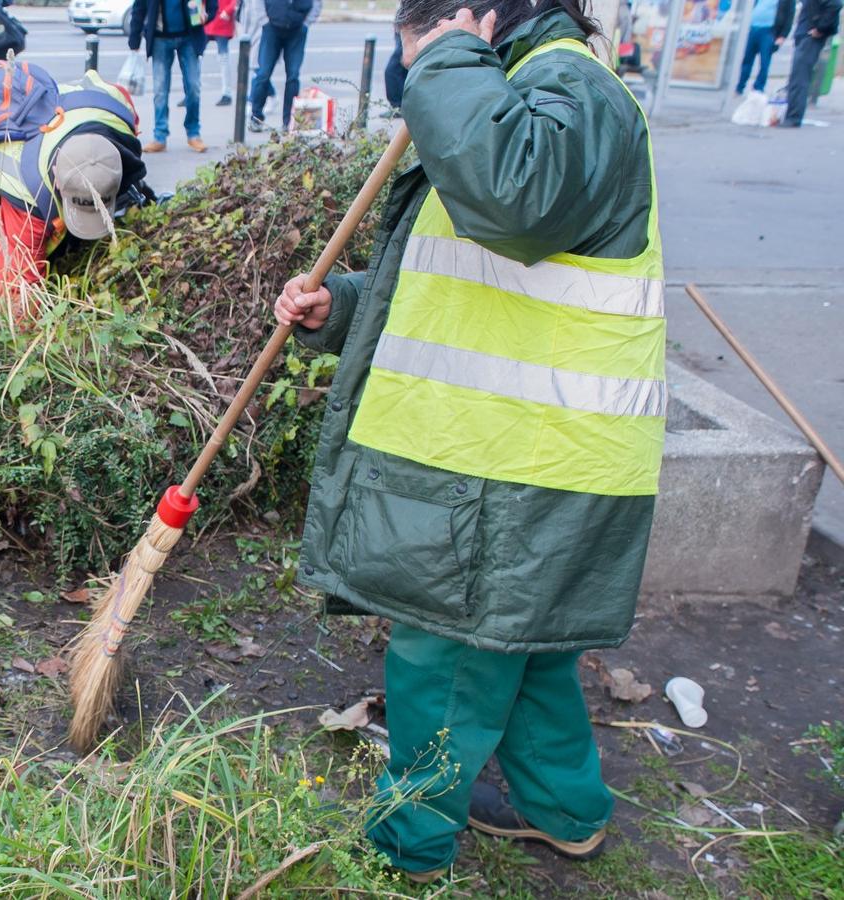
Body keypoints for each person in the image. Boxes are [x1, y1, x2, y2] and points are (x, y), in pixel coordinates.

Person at [275, 0, 664, 883]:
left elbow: (514, 202)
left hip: (513, 463)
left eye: (420, 56)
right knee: (523, 650)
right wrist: (345, 303)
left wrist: (444, 60)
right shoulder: (537, 90)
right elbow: (477, 270)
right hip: (537, 457)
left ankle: (405, 849)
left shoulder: (565, 90)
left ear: (474, 19)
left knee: (441, 657)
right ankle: (561, 810)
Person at [0, 67, 150, 318]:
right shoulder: (22, 193)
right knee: (3, 271)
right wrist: (27, 325)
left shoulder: (118, 112)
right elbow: (20, 289)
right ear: (57, 179)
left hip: (58, 120)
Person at [128, 0, 219, 152]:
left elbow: (212, 4)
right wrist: (134, 39)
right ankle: (160, 136)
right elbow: (139, 7)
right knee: (160, 91)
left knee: (193, 87)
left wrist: (208, 14)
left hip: (189, 37)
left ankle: (193, 134)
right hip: (159, 38)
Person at [247, 0, 323, 132]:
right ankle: (256, 118)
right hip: (271, 28)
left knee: (293, 76)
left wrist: (307, 22)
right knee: (263, 73)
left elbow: (317, 3)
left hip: (297, 29)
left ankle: (288, 121)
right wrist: (264, 21)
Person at [780, 0, 842, 125]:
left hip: (811, 36)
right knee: (796, 77)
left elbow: (835, 4)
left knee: (800, 77)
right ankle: (792, 114)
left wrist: (820, 28)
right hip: (805, 34)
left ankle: (793, 118)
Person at [737, 0, 794, 94]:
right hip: (753, 28)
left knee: (764, 62)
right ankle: (740, 86)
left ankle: (758, 88)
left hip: (769, 31)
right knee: (747, 60)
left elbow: (789, 15)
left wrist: (782, 36)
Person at [206, 0, 240, 106]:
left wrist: (228, 11)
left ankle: (227, 92)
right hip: (209, 19)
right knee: (195, 57)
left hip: (221, 19)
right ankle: (190, 91)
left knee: (223, 58)